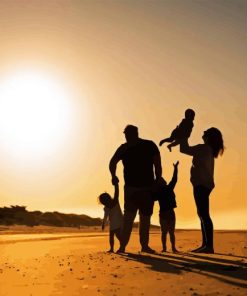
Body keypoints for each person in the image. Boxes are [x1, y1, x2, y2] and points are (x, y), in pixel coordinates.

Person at [109, 125, 162, 253]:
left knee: (141, 217)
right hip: (137, 188)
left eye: (127, 134)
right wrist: (113, 176)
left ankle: (139, 246)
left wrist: (157, 180)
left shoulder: (142, 146)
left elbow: (157, 163)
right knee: (133, 217)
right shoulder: (144, 145)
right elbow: (112, 163)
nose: (126, 137)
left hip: (143, 187)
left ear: (133, 133)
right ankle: (127, 246)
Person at [180, 127, 224, 253]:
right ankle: (205, 244)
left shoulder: (203, 148)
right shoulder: (208, 150)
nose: (202, 134)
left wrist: (184, 134)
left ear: (209, 137)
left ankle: (208, 246)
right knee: (202, 214)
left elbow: (184, 149)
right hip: (205, 184)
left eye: (204, 133)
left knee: (204, 214)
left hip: (201, 185)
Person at [154, 161, 179, 253]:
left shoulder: (166, 189)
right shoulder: (161, 191)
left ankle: (171, 248)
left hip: (168, 213)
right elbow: (174, 179)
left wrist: (175, 168)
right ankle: (166, 248)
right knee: (166, 232)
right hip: (165, 213)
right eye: (161, 180)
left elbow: (174, 179)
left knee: (168, 232)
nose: (163, 180)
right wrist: (175, 168)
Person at [98, 181, 123, 252]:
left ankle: (114, 248)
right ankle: (119, 247)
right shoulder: (114, 202)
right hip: (117, 222)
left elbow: (105, 217)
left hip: (116, 223)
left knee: (114, 236)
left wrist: (103, 224)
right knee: (116, 236)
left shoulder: (109, 205)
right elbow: (117, 193)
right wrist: (116, 185)